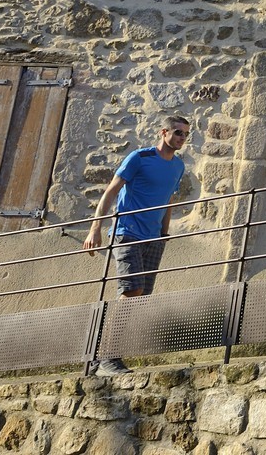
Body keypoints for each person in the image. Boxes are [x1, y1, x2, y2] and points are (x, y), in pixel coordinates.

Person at [82, 114, 190, 373]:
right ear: (163, 132)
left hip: (154, 238)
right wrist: (95, 228)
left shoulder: (178, 167)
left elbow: (168, 200)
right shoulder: (139, 158)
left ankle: (100, 358)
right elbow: (111, 190)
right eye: (177, 132)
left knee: (140, 298)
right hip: (127, 232)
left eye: (185, 134)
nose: (181, 138)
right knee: (132, 291)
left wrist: (164, 234)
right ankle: (107, 358)